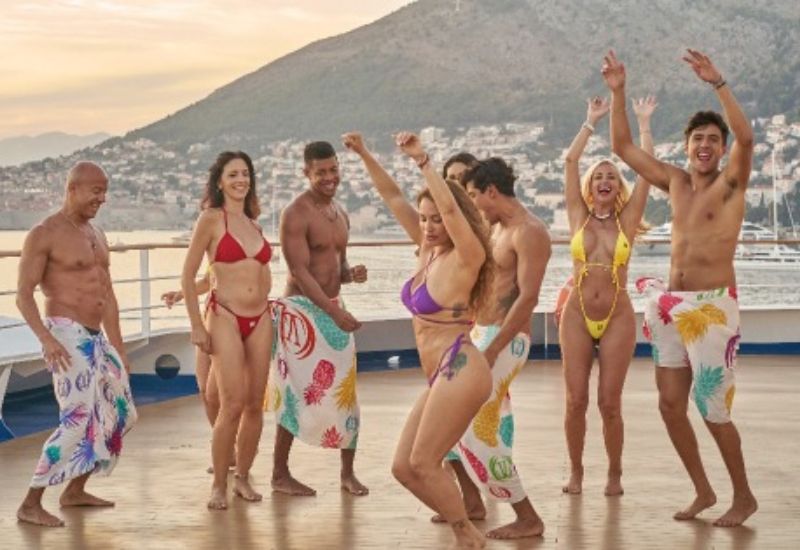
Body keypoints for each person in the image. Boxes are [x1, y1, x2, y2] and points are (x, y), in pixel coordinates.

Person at [603, 49, 758, 527]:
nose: (705, 145)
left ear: (722, 149)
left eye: (713, 139)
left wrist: (718, 83)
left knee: (712, 410)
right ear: (687, 146)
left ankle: (743, 496)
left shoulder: (730, 184)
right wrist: (618, 92)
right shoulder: (674, 181)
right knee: (670, 405)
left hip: (711, 309)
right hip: (670, 305)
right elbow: (623, 147)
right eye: (698, 139)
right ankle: (703, 490)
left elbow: (747, 138)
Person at [344, 131, 493, 549]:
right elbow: (392, 196)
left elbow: (451, 206)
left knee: (424, 463)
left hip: (461, 366)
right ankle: (467, 530)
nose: (428, 226)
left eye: (436, 219)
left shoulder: (467, 256)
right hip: (440, 374)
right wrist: (364, 152)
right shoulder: (427, 249)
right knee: (404, 468)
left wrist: (423, 161)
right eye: (424, 219)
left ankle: (466, 535)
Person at [15, 161, 137, 527]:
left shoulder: (97, 233)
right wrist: (47, 338)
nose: (102, 198)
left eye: (105, 191)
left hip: (98, 339)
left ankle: (74, 490)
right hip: (66, 335)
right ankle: (31, 502)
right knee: (77, 418)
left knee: (121, 413)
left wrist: (119, 346)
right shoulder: (44, 233)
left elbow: (107, 293)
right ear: (72, 189)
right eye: (96, 191)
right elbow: (23, 295)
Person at [438, 157, 550, 540]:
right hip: (481, 335)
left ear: (491, 191)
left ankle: (527, 515)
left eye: (473, 195)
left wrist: (493, 349)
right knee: (458, 422)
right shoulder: (495, 228)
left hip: (507, 341)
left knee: (478, 429)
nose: (472, 203)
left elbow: (528, 298)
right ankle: (478, 502)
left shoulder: (529, 232)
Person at [559, 95, 656, 496]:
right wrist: (590, 121)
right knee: (575, 401)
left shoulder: (628, 219)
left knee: (609, 404)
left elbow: (647, 170)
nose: (604, 180)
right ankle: (576, 472)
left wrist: (643, 124)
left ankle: (614, 473)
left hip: (617, 315)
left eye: (611, 177)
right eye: (599, 176)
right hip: (577, 314)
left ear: (618, 187)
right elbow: (570, 162)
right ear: (590, 186)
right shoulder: (577, 216)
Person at [267, 141, 368, 497]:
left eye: (333, 169)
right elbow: (299, 271)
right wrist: (334, 312)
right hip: (302, 313)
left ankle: (347, 474)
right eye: (320, 171)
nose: (329, 177)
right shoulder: (296, 213)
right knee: (295, 394)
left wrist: (351, 274)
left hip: (333, 308)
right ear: (306, 173)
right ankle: (279, 473)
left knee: (346, 393)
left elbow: (336, 266)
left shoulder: (340, 213)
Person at [181, 151, 273, 510]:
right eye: (233, 174)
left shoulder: (254, 224)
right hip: (226, 316)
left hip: (261, 316)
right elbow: (188, 275)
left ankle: (243, 478)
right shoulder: (211, 219)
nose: (241, 180)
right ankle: (219, 484)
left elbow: (256, 272)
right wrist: (196, 325)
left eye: (245, 173)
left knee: (254, 404)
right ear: (219, 181)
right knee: (231, 403)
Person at [161, 273, 236, 472]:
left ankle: (231, 448)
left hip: (229, 325)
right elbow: (207, 281)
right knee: (205, 391)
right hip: (207, 322)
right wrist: (180, 294)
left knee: (223, 394)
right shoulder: (213, 254)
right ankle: (228, 450)